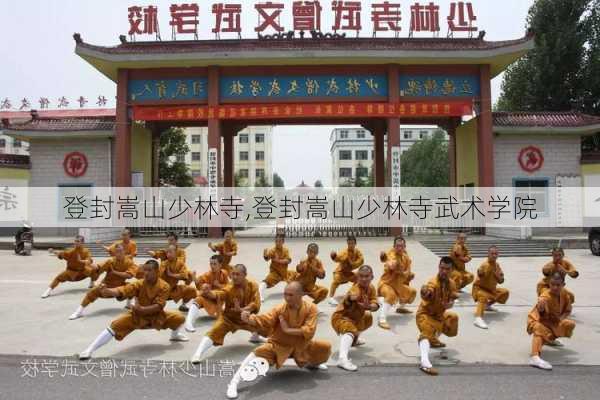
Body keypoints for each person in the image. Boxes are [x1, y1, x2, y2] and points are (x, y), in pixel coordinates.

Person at [226, 281, 331, 399]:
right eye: (285, 294)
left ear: (300, 295)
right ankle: (234, 383)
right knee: (255, 355)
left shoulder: (311, 308)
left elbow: (309, 330)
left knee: (325, 347)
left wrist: (287, 330)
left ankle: (313, 364)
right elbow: (265, 320)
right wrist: (249, 319)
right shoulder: (280, 308)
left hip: (301, 346)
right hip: (279, 345)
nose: (287, 298)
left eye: (291, 295)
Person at [78, 259, 188, 360]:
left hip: (156, 316)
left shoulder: (165, 286)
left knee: (179, 318)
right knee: (114, 326)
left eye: (149, 270)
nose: (146, 273)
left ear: (157, 272)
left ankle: (175, 335)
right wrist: (110, 292)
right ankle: (89, 350)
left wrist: (142, 309)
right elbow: (124, 289)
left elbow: (159, 306)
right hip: (136, 316)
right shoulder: (139, 283)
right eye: (145, 270)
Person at [190, 264, 264, 364]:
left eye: (238, 274)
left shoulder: (253, 285)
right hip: (229, 318)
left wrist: (242, 309)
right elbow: (219, 294)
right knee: (214, 331)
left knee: (265, 325)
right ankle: (197, 354)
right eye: (233, 274)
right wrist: (209, 293)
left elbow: (255, 304)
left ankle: (255, 336)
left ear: (244, 275)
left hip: (246, 317)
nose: (234, 277)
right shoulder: (229, 287)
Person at [69, 244, 138, 320]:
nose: (119, 253)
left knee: (132, 287)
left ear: (124, 251)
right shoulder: (110, 261)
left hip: (120, 286)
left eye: (121, 251)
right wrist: (88, 264)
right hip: (106, 285)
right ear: (115, 253)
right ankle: (79, 311)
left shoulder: (129, 262)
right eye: (117, 252)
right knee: (92, 292)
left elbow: (129, 275)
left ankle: (129, 304)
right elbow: (98, 267)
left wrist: (115, 272)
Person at [416, 256, 459, 376]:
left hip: (439, 316)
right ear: (438, 267)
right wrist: (426, 292)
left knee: (453, 318)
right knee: (426, 332)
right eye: (442, 268)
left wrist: (451, 302)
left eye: (447, 269)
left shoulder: (451, 283)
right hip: (425, 315)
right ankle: (424, 362)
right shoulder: (433, 283)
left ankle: (433, 339)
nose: (444, 271)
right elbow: (428, 292)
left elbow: (451, 300)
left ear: (452, 270)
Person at [331, 265, 379, 371]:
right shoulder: (355, 289)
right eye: (361, 276)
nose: (364, 279)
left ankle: (354, 340)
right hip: (342, 318)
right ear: (357, 277)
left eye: (367, 276)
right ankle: (342, 359)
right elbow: (350, 298)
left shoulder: (371, 288)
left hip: (356, 318)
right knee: (350, 329)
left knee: (368, 317)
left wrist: (370, 306)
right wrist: (350, 298)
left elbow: (375, 304)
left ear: (372, 277)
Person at [527, 272, 576, 370]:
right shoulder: (545, 296)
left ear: (563, 285)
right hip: (539, 320)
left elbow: (567, 310)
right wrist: (541, 307)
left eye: (558, 285)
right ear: (549, 283)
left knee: (569, 324)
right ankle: (534, 357)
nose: (555, 287)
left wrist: (560, 319)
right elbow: (541, 309)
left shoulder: (564, 293)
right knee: (538, 328)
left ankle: (550, 339)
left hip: (553, 321)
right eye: (552, 284)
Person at [377, 236, 417, 329]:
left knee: (412, 292)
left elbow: (407, 272)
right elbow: (390, 264)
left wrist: (408, 274)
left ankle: (401, 308)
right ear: (394, 246)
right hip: (386, 284)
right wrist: (394, 265)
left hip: (398, 285)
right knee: (391, 296)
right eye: (397, 246)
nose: (399, 248)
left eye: (402, 246)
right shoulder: (391, 255)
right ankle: (382, 319)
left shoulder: (405, 257)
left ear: (404, 247)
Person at [184, 254, 230, 332]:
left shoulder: (224, 273)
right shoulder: (207, 274)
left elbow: (229, 288)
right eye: (211, 263)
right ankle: (188, 322)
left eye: (214, 264)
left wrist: (218, 285)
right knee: (198, 299)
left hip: (219, 300)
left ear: (220, 265)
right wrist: (195, 280)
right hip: (208, 299)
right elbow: (199, 284)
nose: (212, 266)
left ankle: (209, 293)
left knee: (220, 293)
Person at [472, 246, 509, 329]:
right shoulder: (485, 265)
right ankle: (478, 318)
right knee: (482, 295)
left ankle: (487, 306)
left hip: (491, 290)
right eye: (492, 253)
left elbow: (501, 280)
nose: (494, 255)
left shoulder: (497, 265)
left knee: (505, 292)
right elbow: (480, 273)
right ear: (488, 254)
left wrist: (497, 276)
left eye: (496, 253)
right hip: (480, 289)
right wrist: (480, 273)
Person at [328, 236, 364, 306]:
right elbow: (338, 258)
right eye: (349, 244)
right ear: (347, 244)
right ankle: (331, 297)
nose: (351, 245)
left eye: (352, 243)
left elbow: (361, 260)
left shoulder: (357, 252)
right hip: (340, 272)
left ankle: (352, 292)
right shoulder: (344, 252)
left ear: (355, 244)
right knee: (336, 280)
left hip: (349, 273)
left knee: (359, 277)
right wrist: (334, 256)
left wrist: (353, 264)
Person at [159, 245, 197, 312]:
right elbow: (158, 277)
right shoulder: (164, 263)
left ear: (176, 252)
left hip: (173, 289)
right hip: (162, 290)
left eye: (170, 252)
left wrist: (171, 274)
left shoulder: (180, 263)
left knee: (191, 290)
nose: (168, 254)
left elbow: (184, 275)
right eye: (167, 252)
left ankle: (183, 305)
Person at [259, 233, 292, 302]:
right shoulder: (273, 250)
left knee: (296, 279)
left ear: (283, 242)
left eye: (279, 241)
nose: (277, 243)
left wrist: (278, 261)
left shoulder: (286, 250)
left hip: (284, 272)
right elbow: (267, 258)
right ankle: (260, 295)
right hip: (275, 272)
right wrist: (265, 255)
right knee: (265, 282)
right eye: (276, 241)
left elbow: (288, 260)